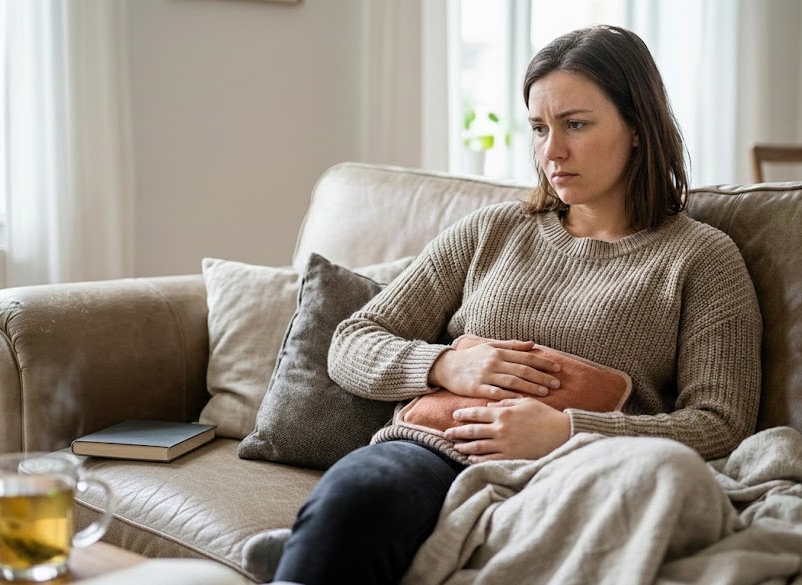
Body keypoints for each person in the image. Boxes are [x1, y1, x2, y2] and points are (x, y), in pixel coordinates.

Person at [267, 24, 762, 585]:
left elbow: (722, 424)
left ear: (638, 128)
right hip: (435, 452)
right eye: (538, 128)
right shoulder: (491, 230)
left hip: (584, 472)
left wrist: (568, 431)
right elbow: (354, 339)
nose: (552, 151)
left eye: (575, 125)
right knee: (360, 498)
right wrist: (444, 363)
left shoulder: (702, 258)